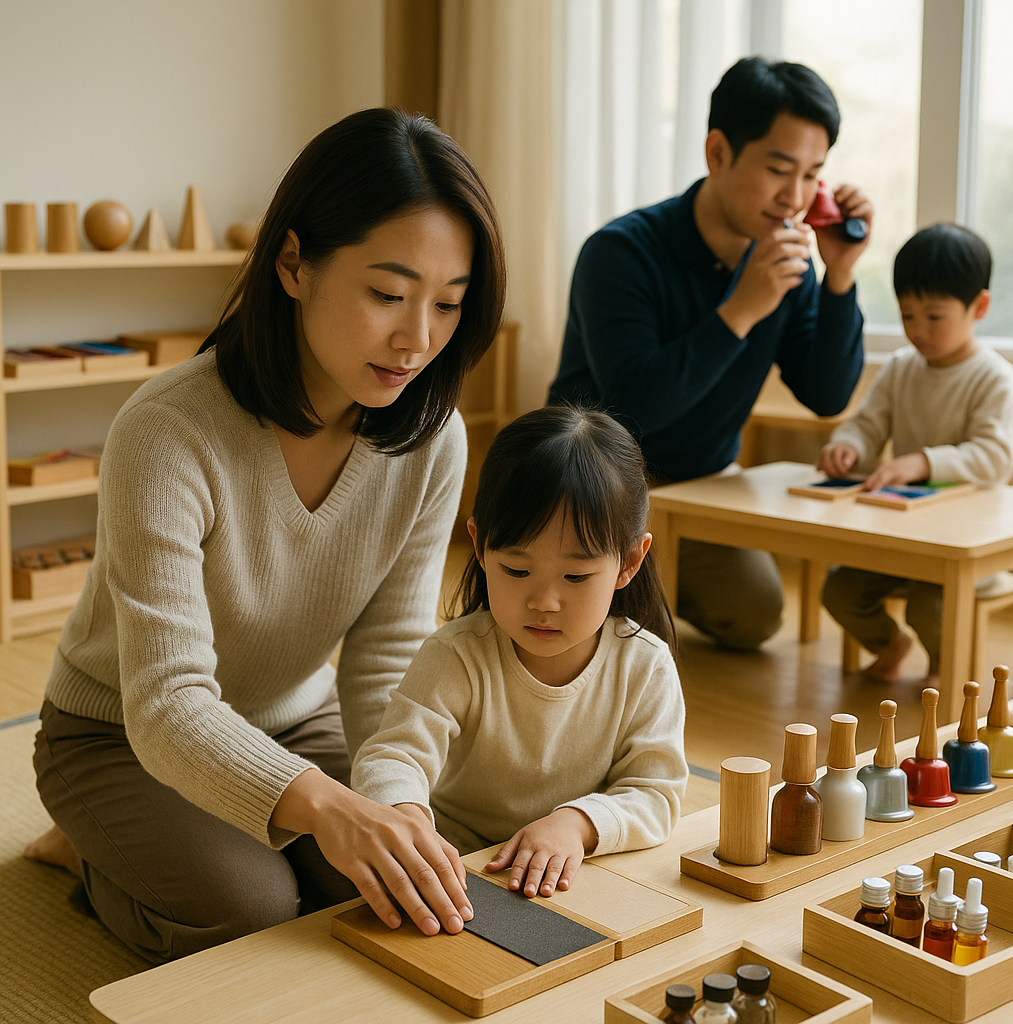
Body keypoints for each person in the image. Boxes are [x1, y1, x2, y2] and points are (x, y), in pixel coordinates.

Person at [24, 108, 507, 962]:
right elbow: (169, 703)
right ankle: (97, 858)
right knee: (255, 908)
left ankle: (191, 842)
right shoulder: (167, 431)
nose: (417, 338)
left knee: (416, 876)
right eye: (388, 295)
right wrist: (326, 807)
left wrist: (394, 802)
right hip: (120, 731)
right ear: (294, 263)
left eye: (448, 305)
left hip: (289, 718)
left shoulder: (433, 438)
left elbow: (388, 654)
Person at [547, 56, 872, 651]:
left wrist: (840, 277)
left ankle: (646, 589)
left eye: (811, 175)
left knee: (756, 616)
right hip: (598, 479)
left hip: (705, 484)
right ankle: (627, 592)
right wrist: (740, 311)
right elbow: (631, 405)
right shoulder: (619, 252)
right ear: (717, 152)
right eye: (779, 169)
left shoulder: (789, 265)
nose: (795, 197)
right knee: (588, 631)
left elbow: (826, 395)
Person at [351, 406, 688, 900]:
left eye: (575, 577)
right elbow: (393, 755)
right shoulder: (458, 655)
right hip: (456, 863)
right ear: (481, 546)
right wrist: (407, 817)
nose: (544, 602)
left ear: (629, 562)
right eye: (515, 570)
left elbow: (655, 794)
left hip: (576, 870)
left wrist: (575, 825)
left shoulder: (644, 664)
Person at [818, 223, 1013, 684]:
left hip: (969, 545)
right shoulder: (900, 368)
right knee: (841, 590)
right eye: (908, 316)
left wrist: (924, 462)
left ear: (980, 307)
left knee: (932, 606)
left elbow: (994, 457)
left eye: (934, 317)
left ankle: (945, 676)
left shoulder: (995, 377)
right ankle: (891, 645)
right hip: (906, 536)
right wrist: (849, 446)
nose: (918, 330)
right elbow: (869, 422)